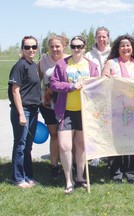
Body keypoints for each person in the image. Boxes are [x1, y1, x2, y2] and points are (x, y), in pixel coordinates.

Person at [50, 35, 99, 194]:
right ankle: (68, 180)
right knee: (65, 146)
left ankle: (79, 177)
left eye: (79, 46)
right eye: (73, 46)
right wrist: (71, 86)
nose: (76, 49)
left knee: (81, 145)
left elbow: (97, 86)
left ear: (85, 48)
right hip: (66, 111)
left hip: (84, 111)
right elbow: (54, 83)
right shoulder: (62, 64)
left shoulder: (91, 65)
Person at [102, 34, 134, 183]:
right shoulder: (111, 63)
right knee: (116, 140)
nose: (125, 48)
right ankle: (116, 172)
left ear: (132, 48)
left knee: (132, 139)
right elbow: (103, 82)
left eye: (128, 45)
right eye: (122, 46)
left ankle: (131, 170)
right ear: (117, 48)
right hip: (115, 108)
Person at [8, 36, 41, 188]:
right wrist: (21, 113)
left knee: (28, 146)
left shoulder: (33, 65)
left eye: (33, 47)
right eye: (27, 47)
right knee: (20, 145)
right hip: (23, 111)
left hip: (34, 111)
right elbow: (15, 91)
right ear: (22, 49)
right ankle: (17, 178)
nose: (31, 50)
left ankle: (27, 176)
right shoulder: (20, 65)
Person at [38, 34, 69, 178]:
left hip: (67, 104)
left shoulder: (70, 60)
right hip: (48, 105)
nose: (55, 49)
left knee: (68, 136)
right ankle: (54, 165)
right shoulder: (43, 61)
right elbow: (37, 80)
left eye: (58, 46)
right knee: (54, 135)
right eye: (52, 46)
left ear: (64, 46)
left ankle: (70, 164)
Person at [85, 26, 111, 167]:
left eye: (104, 36)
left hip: (110, 96)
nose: (101, 39)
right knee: (94, 125)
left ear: (108, 38)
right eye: (99, 36)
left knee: (108, 126)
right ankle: (95, 155)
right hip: (94, 96)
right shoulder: (88, 55)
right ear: (95, 38)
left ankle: (108, 154)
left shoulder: (113, 53)